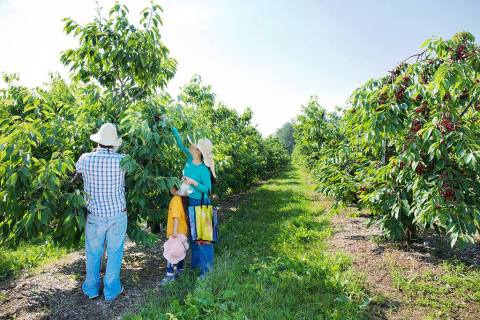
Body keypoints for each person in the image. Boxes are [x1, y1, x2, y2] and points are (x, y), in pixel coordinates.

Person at [75, 123, 127, 301]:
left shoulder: (85, 159)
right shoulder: (123, 160)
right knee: (114, 252)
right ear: (114, 143)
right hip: (117, 214)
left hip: (95, 215)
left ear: (98, 141)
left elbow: (77, 172)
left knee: (93, 253)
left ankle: (91, 288)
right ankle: (111, 290)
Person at [172, 126, 216, 278]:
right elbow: (179, 143)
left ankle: (207, 271)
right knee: (193, 238)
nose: (189, 146)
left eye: (192, 145)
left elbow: (207, 189)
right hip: (190, 202)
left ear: (198, 151)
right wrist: (171, 126)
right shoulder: (189, 160)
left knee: (203, 239)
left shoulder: (203, 169)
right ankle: (196, 266)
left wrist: (192, 182)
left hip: (202, 204)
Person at [160, 186, 190, 285]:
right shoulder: (182, 198)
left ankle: (169, 276)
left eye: (171, 187)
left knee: (171, 253)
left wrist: (174, 232)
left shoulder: (176, 199)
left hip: (177, 232)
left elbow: (176, 217)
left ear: (175, 189)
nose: (170, 189)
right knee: (181, 251)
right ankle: (180, 272)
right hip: (183, 231)